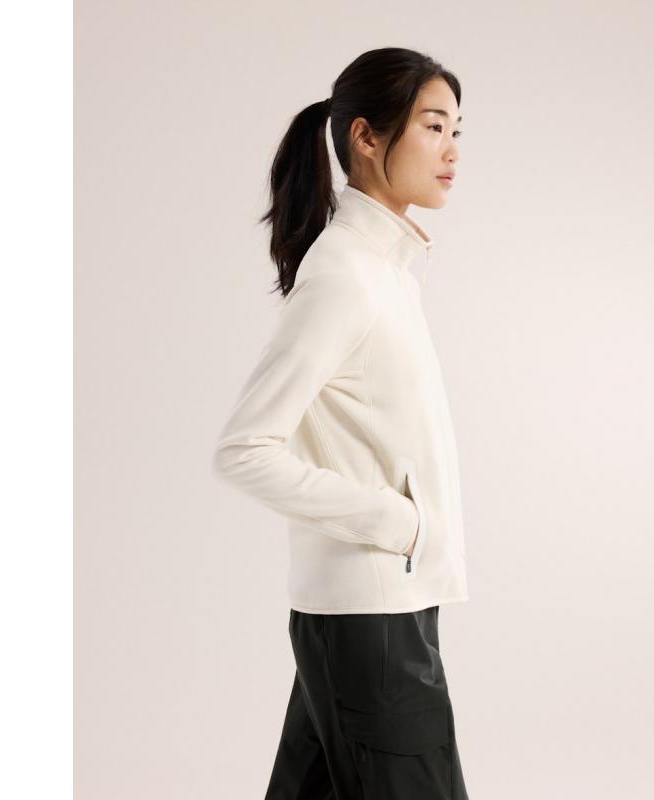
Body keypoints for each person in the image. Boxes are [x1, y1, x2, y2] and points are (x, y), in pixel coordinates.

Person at [212, 46, 469, 799]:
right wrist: (397, 522)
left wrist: (412, 537)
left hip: (384, 609)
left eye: (457, 130)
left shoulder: (387, 274)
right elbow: (245, 448)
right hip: (370, 616)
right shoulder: (344, 277)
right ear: (365, 136)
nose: (452, 150)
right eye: (433, 126)